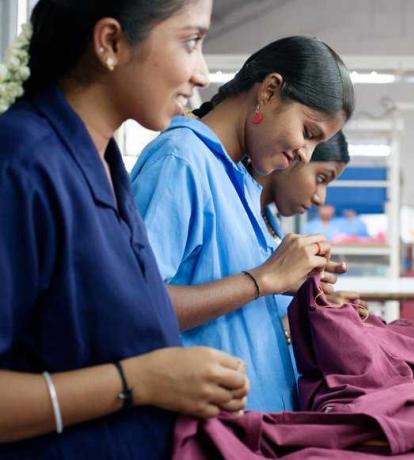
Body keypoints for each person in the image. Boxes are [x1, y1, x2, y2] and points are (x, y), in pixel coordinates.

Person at [0, 1, 250, 458]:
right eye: (190, 42)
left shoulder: (106, 168)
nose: (202, 74)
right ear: (111, 43)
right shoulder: (21, 165)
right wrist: (140, 382)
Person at [130, 36, 355, 411]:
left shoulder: (240, 182)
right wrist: (262, 279)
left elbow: (228, 299)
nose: (305, 154)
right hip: (205, 434)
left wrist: (301, 293)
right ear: (269, 91)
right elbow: (134, 308)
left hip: (253, 431)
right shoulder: (181, 161)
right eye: (308, 132)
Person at [248, 131, 369, 351]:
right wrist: (293, 324)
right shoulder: (233, 214)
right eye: (321, 178)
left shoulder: (270, 224)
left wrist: (320, 308)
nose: (320, 198)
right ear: (295, 155)